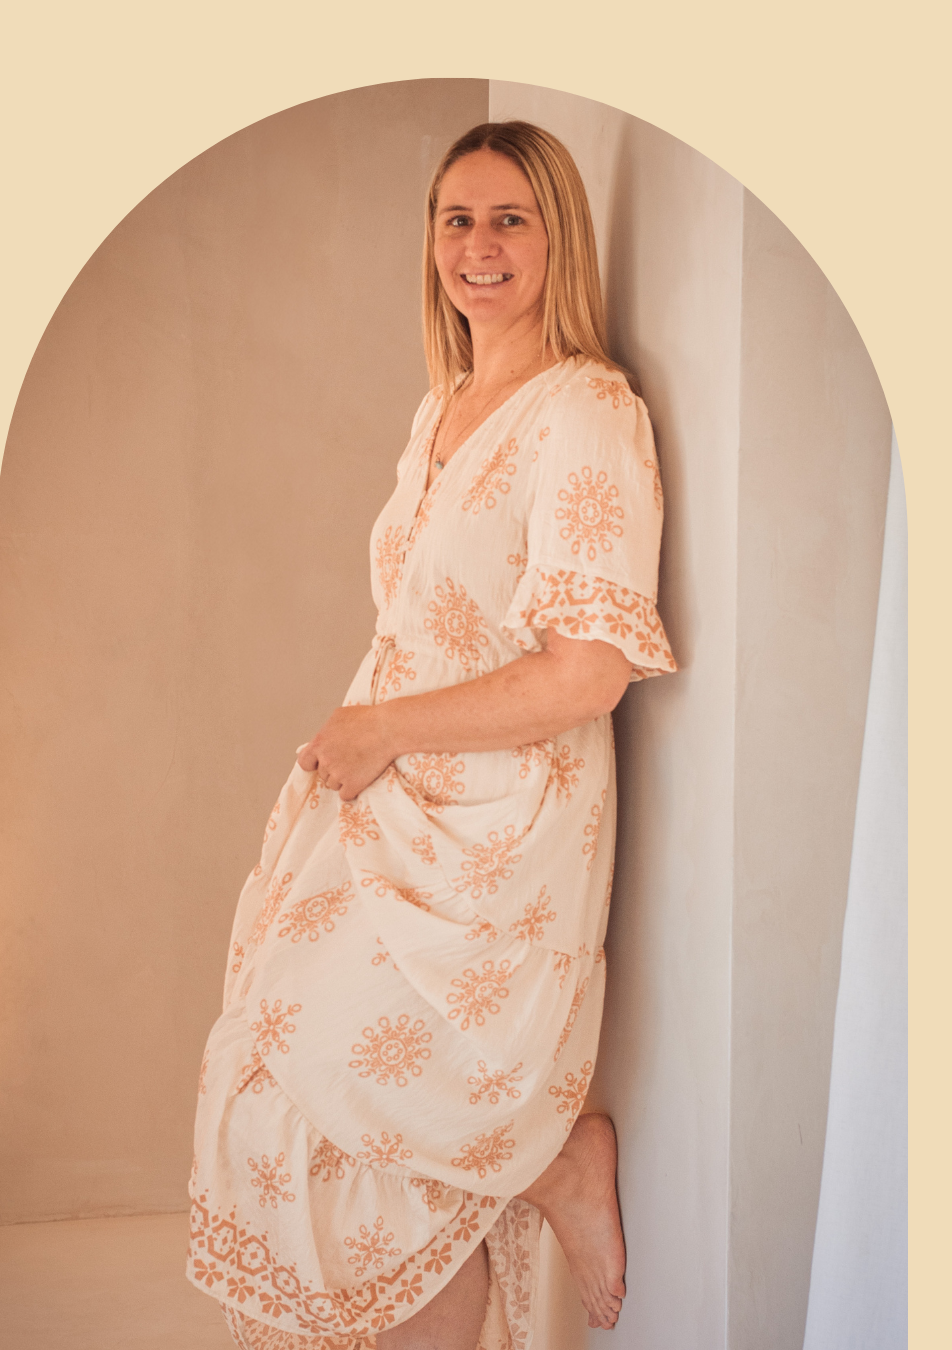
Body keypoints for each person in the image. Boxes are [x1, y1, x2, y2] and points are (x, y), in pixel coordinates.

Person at [187, 120, 677, 1350]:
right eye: (456, 218)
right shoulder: (445, 406)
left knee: (367, 1108)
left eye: (511, 216)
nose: (479, 244)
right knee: (276, 1074)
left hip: (501, 831)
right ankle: (551, 1163)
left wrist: (382, 728)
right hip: (392, 795)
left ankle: (557, 1165)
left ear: (559, 236)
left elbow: (590, 671)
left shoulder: (587, 414)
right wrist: (370, 748)